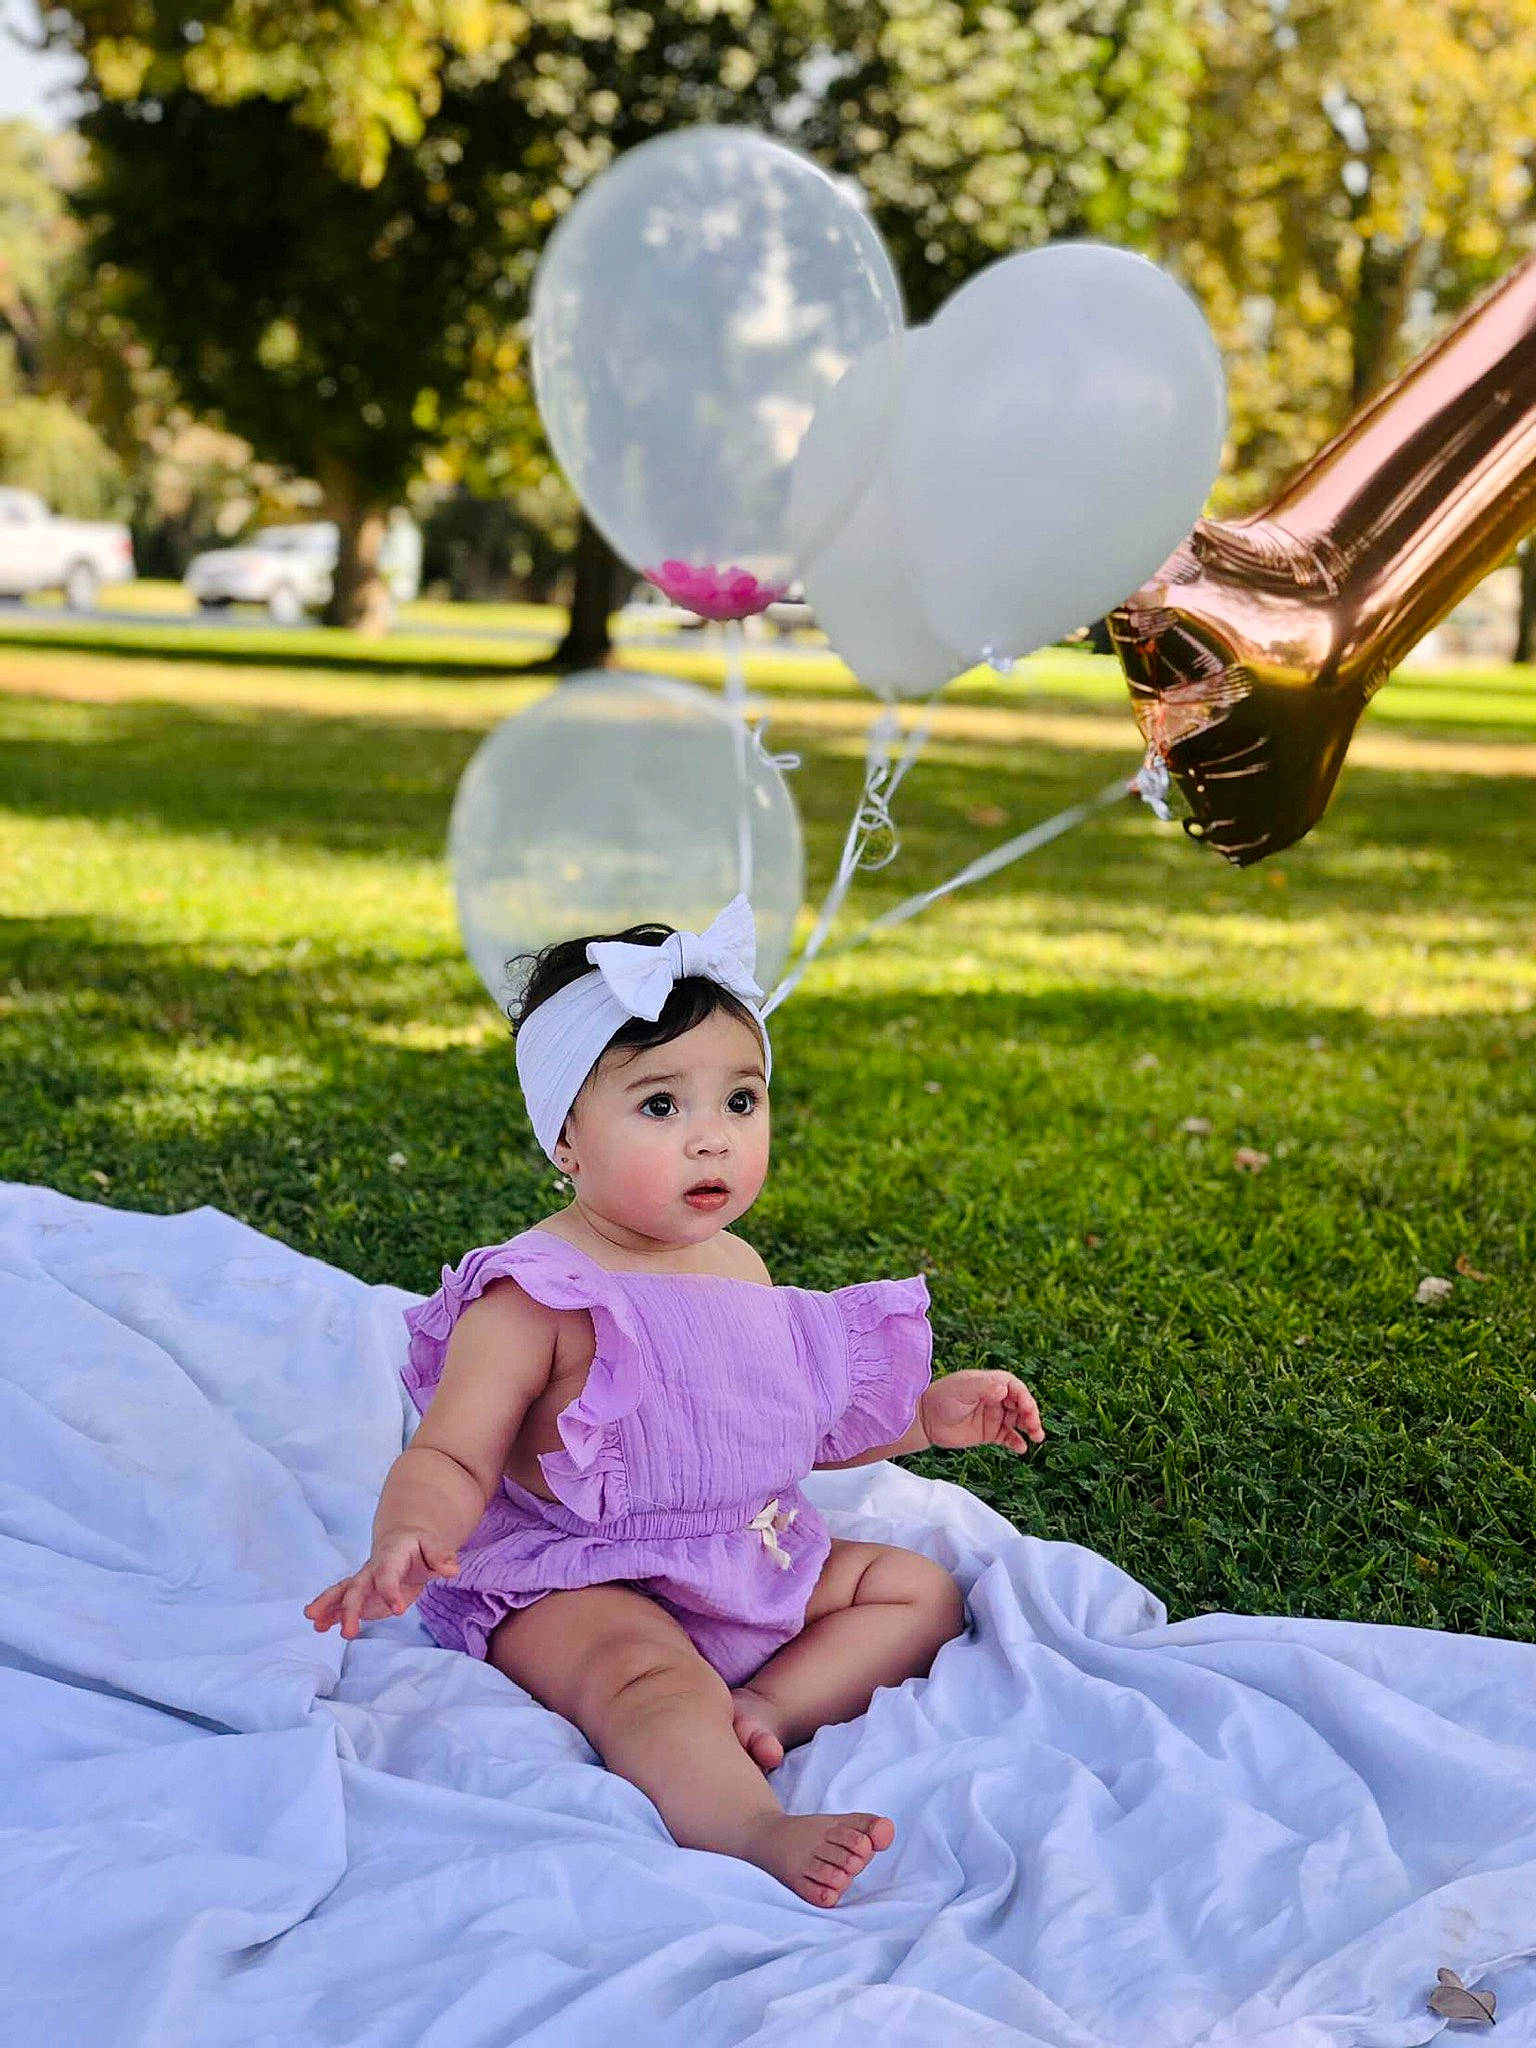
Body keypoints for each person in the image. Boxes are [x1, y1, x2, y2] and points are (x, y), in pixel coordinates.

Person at [305, 894, 1045, 1908]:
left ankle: (767, 1707)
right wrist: (411, 1534)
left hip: (740, 1545)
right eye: (661, 1107)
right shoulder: (536, 1295)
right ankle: (750, 1824)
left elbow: (779, 1428)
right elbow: (451, 1454)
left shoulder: (740, 1268)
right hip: (578, 1575)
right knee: (646, 1680)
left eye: (739, 1101)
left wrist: (925, 1419)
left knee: (917, 1592)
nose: (712, 1140)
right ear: (566, 1137)